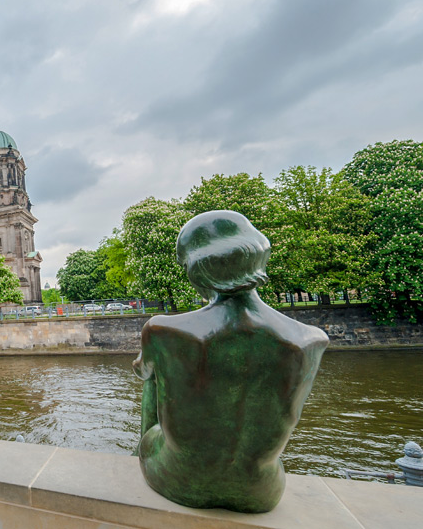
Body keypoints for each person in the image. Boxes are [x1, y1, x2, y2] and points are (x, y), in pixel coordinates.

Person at [133, 210, 328, 513]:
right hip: (262, 492)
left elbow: (147, 388)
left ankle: (143, 456)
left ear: (196, 268)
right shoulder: (311, 339)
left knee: (152, 377)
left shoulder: (161, 331)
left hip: (180, 482)